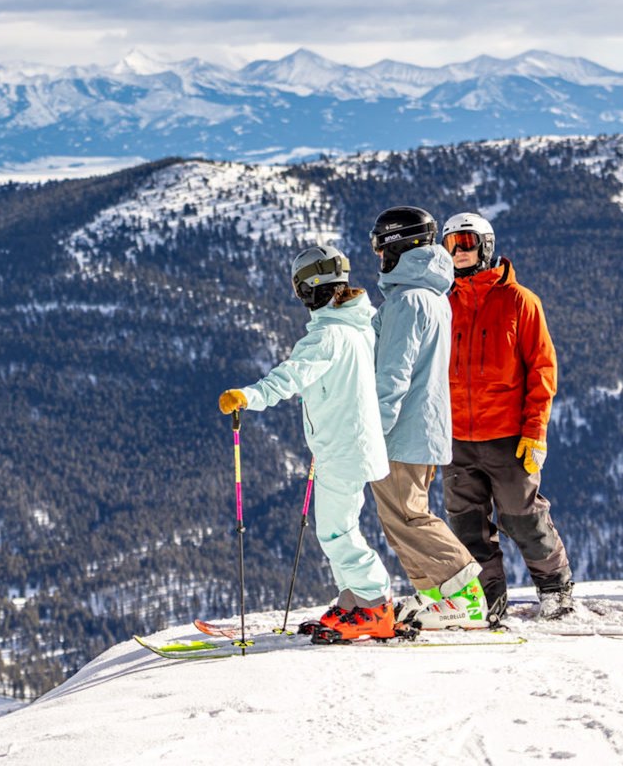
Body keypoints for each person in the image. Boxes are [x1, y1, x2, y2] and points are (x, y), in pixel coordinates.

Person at [218, 244, 401, 641]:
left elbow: (292, 375)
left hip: (343, 447)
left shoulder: (328, 336)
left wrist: (248, 396)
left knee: (336, 532)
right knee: (338, 526)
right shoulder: (358, 326)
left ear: (308, 290)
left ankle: (375, 602)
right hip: (351, 442)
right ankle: (354, 600)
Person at [439, 211, 574, 621]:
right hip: (456, 438)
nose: (458, 252)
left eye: (466, 242)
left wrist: (535, 432)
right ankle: (488, 599)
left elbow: (542, 370)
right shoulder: (443, 303)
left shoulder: (519, 301)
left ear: (485, 245)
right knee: (467, 526)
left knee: (524, 518)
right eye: (450, 245)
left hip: (507, 436)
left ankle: (555, 590)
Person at [367, 207, 488, 629]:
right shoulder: (432, 295)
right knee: (401, 515)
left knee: (408, 515)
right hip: (425, 426)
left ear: (397, 246)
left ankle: (465, 596)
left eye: (380, 245)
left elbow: (393, 375)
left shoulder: (407, 300)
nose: (378, 254)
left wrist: (372, 432)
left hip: (402, 429)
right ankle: (438, 595)